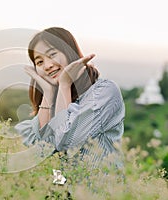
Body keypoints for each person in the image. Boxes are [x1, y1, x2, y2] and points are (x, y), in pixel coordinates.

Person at [15, 27, 125, 170]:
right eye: (40, 62)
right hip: (60, 191)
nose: (47, 66)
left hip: (99, 190)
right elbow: (41, 149)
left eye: (52, 54)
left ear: (69, 51)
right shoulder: (52, 96)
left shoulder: (104, 92)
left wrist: (65, 83)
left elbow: (64, 143)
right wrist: (48, 93)